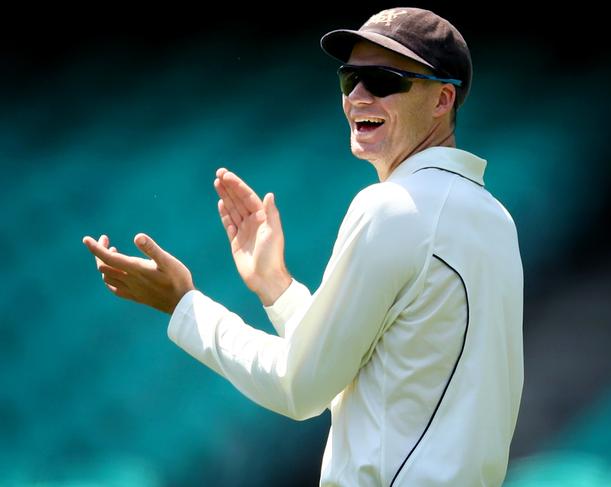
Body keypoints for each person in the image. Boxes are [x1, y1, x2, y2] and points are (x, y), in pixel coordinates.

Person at [82, 7, 524, 486]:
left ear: (442, 100)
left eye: (382, 79)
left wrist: (183, 306)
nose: (357, 95)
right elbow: (368, 374)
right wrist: (276, 286)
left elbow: (300, 388)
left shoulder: (392, 207)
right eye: (350, 77)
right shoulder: (495, 218)